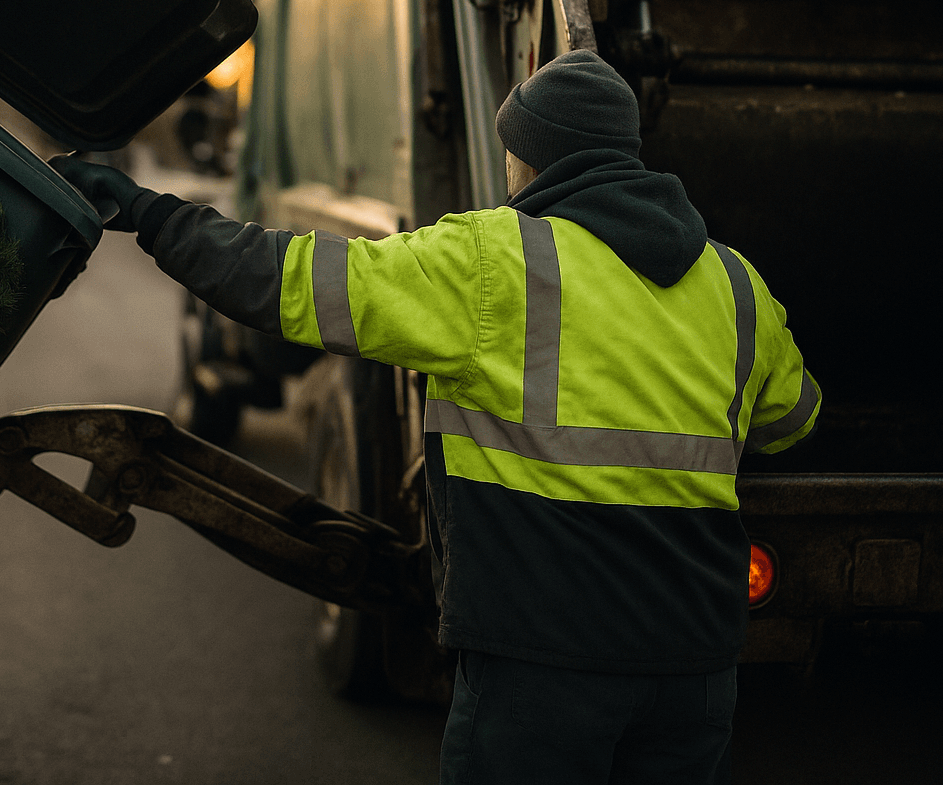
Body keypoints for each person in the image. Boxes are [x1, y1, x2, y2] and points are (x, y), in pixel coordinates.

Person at [53, 49, 821, 785]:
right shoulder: (735, 283)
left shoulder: (494, 263)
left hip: (542, 658)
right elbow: (792, 419)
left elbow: (284, 281)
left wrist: (150, 215)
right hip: (695, 664)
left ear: (530, 158)